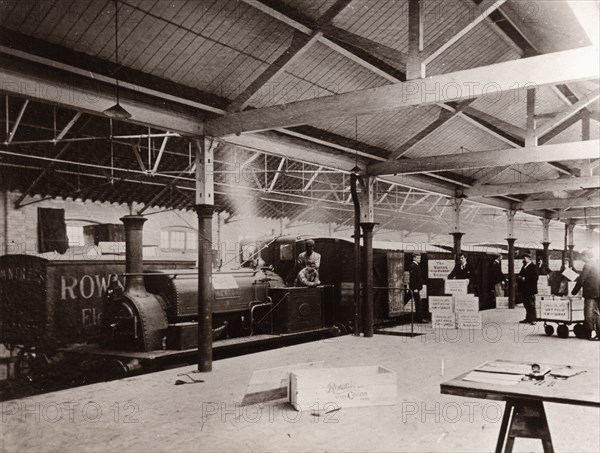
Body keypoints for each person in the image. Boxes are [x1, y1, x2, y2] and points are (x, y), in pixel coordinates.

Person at [571, 249, 600, 341]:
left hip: (590, 293)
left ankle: (589, 333)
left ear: (587, 256)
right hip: (597, 293)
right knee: (596, 313)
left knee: (589, 313)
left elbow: (581, 280)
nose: (581, 258)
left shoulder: (588, 265)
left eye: (582, 256)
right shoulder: (596, 264)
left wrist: (573, 292)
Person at [517, 253, 538, 325]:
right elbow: (520, 274)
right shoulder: (524, 266)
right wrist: (520, 277)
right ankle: (528, 318)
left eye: (525, 258)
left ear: (529, 258)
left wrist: (525, 278)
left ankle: (533, 319)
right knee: (526, 303)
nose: (524, 259)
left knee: (531, 303)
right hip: (524, 288)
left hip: (530, 288)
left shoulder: (533, 266)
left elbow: (535, 277)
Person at [407, 253, 427, 323]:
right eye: (418, 258)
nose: (420, 259)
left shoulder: (416, 265)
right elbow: (413, 278)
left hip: (415, 288)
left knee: (408, 299)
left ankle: (419, 318)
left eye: (420, 258)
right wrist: (415, 288)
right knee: (418, 303)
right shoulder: (413, 266)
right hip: (414, 288)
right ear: (414, 258)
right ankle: (419, 319)